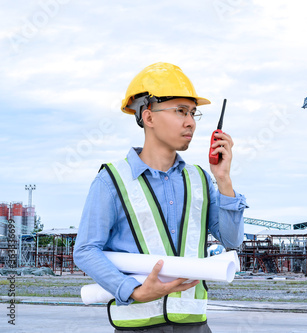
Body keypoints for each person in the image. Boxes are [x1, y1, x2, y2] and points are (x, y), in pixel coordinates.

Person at [74, 62, 248, 332]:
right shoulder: (112, 181)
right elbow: (85, 250)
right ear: (149, 117)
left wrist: (223, 179)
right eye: (180, 111)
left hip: (195, 325)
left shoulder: (200, 179)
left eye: (193, 113)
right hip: (139, 325)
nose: (190, 122)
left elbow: (232, 241)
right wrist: (131, 290)